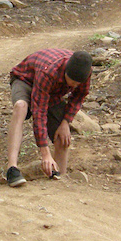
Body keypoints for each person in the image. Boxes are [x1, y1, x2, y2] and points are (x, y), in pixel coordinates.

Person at [5, 49, 93, 187]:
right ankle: (12, 169)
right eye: (72, 83)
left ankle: (58, 178)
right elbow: (39, 112)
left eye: (77, 84)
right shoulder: (49, 71)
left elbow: (79, 96)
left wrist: (65, 122)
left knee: (63, 137)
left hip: (52, 91)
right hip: (26, 80)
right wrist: (45, 153)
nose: (74, 87)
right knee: (20, 107)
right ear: (65, 73)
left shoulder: (85, 70)